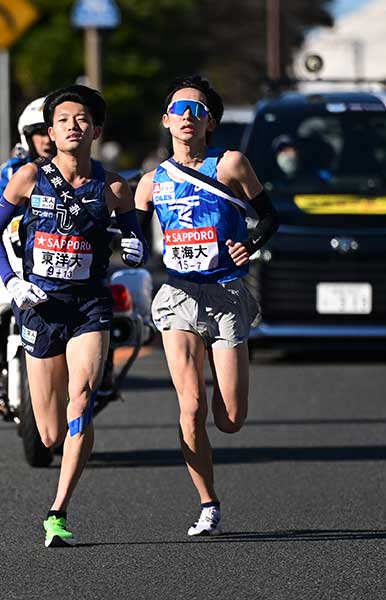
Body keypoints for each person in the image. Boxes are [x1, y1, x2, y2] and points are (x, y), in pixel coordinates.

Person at [0, 85, 148, 548]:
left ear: (96, 129)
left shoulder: (114, 187)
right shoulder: (28, 179)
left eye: (82, 119)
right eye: (63, 120)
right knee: (50, 431)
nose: (73, 126)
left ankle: (57, 511)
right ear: (49, 131)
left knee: (82, 398)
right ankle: (61, 453)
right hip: (40, 308)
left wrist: (134, 248)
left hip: (89, 307)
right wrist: (12, 281)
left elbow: (135, 243)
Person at [134, 76, 279, 536]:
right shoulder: (151, 183)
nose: (187, 117)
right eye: (179, 109)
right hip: (178, 294)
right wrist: (130, 250)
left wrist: (248, 245)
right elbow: (133, 239)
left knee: (230, 419)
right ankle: (208, 502)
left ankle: (223, 377)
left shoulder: (230, 165)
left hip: (226, 295)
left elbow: (270, 217)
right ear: (166, 120)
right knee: (190, 407)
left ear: (210, 123)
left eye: (197, 111)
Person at [0, 96, 55, 215]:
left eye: (52, 132)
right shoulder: (16, 170)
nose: (47, 140)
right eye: (40, 133)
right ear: (28, 138)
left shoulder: (83, 168)